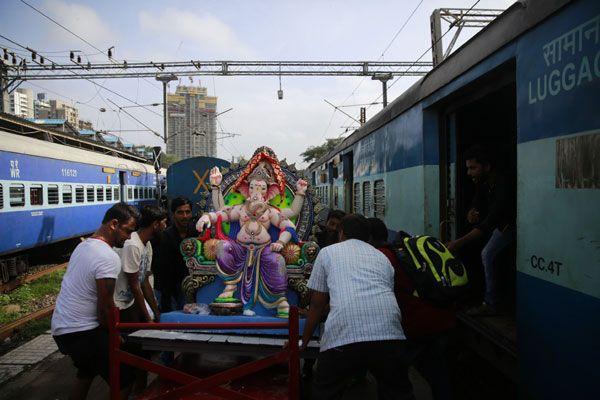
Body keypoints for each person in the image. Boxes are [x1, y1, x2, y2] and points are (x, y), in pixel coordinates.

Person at [301, 214, 414, 400]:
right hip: (390, 335)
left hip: (343, 335)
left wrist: (303, 343)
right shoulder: (382, 258)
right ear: (368, 236)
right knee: (397, 392)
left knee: (326, 390)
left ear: (341, 233)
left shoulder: (328, 253)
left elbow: (316, 305)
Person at [51, 203, 139, 400]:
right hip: (81, 331)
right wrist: (115, 336)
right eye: (127, 231)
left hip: (62, 327)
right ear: (114, 224)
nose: (129, 237)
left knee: (87, 371)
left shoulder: (83, 246)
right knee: (125, 376)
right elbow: (105, 309)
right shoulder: (107, 256)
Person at [368, 218, 456, 400]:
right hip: (441, 316)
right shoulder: (400, 251)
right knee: (437, 371)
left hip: (415, 325)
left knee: (392, 375)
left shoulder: (381, 258)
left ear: (369, 238)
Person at [446, 145, 515, 315]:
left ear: (487, 167)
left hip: (508, 226)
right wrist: (471, 212)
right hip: (498, 226)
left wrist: (457, 243)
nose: (469, 173)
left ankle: (492, 303)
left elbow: (488, 223)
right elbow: (477, 202)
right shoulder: (484, 183)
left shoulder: (503, 184)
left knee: (487, 253)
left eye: (473, 168)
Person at [114, 205, 166, 323]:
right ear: (155, 225)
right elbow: (135, 286)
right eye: (164, 223)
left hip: (130, 302)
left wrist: (156, 313)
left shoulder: (147, 245)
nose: (165, 226)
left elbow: (144, 281)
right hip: (119, 305)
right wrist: (148, 319)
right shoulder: (133, 245)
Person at [154, 197, 196, 312]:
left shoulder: (196, 233)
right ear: (173, 214)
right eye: (180, 212)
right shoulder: (165, 237)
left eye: (187, 212)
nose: (185, 216)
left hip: (192, 288)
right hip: (170, 290)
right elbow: (162, 270)